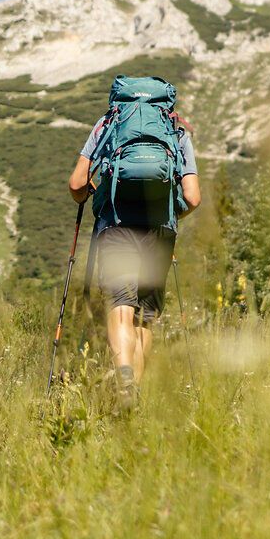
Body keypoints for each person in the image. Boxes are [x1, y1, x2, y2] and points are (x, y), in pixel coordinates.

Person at [67, 79, 204, 398]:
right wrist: (171, 213)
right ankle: (134, 395)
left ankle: (123, 376)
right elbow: (193, 197)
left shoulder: (108, 123)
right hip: (159, 231)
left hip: (116, 225)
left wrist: (93, 193)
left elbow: (77, 185)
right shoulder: (174, 128)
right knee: (144, 316)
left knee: (120, 304)